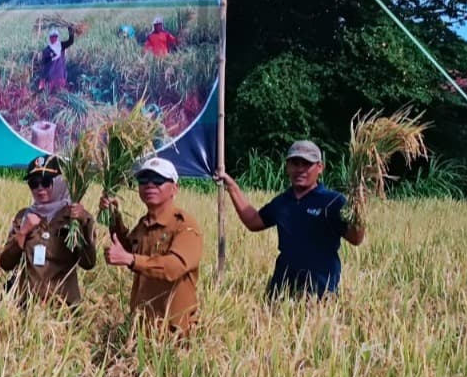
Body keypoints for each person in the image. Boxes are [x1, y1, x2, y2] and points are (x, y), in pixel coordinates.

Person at [217, 140, 365, 298]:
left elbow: (356, 238)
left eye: (306, 164)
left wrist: (360, 208)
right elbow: (253, 221)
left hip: (319, 294)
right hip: (281, 290)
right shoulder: (282, 202)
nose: (300, 169)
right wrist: (232, 187)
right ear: (287, 166)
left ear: (320, 167)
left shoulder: (333, 202)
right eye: (294, 163)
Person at [101, 156, 203, 338]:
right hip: (143, 328)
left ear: (174, 188)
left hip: (174, 332)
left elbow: (174, 267)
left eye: (158, 180)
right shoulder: (144, 224)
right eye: (143, 180)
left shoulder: (185, 226)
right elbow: (130, 249)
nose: (149, 185)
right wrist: (113, 217)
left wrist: (130, 260)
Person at [0, 155, 95, 305]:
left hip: (63, 308)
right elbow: (6, 263)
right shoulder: (23, 216)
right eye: (33, 184)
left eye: (45, 182)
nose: (40, 189)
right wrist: (23, 232)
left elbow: (88, 263)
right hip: (28, 307)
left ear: (59, 183)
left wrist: (83, 224)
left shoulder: (75, 216)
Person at [31, 25, 76, 92]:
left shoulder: (61, 45)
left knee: (60, 92)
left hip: (60, 74)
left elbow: (70, 41)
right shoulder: (47, 50)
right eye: (52, 37)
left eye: (55, 37)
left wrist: (71, 31)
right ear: (50, 38)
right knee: (52, 93)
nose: (54, 38)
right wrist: (43, 79)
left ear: (57, 37)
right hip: (51, 76)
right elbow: (45, 64)